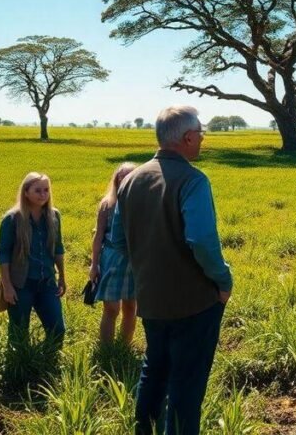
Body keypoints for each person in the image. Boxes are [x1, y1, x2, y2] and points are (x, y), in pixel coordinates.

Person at [116, 105, 232, 435]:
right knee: (186, 385)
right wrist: (223, 280)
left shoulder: (131, 180)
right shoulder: (193, 180)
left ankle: (143, 428)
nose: (203, 140)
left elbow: (119, 241)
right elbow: (202, 240)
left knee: (155, 367)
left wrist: (148, 268)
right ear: (187, 137)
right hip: (194, 302)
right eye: (201, 134)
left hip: (150, 299)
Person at [0, 172, 67, 349]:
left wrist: (62, 277)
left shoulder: (53, 216)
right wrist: (7, 287)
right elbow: (3, 254)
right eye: (37, 191)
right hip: (21, 283)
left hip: (47, 281)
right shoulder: (12, 219)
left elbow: (58, 248)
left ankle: (48, 364)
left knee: (57, 329)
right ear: (26, 192)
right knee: (19, 332)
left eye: (46, 190)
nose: (43, 195)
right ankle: (20, 366)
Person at [90, 162, 139, 346]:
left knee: (131, 306)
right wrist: (94, 264)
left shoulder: (143, 204)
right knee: (111, 308)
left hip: (134, 261)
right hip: (111, 258)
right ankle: (107, 349)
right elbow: (98, 235)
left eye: (130, 176)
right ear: (116, 180)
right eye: (122, 176)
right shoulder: (107, 204)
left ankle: (124, 346)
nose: (125, 179)